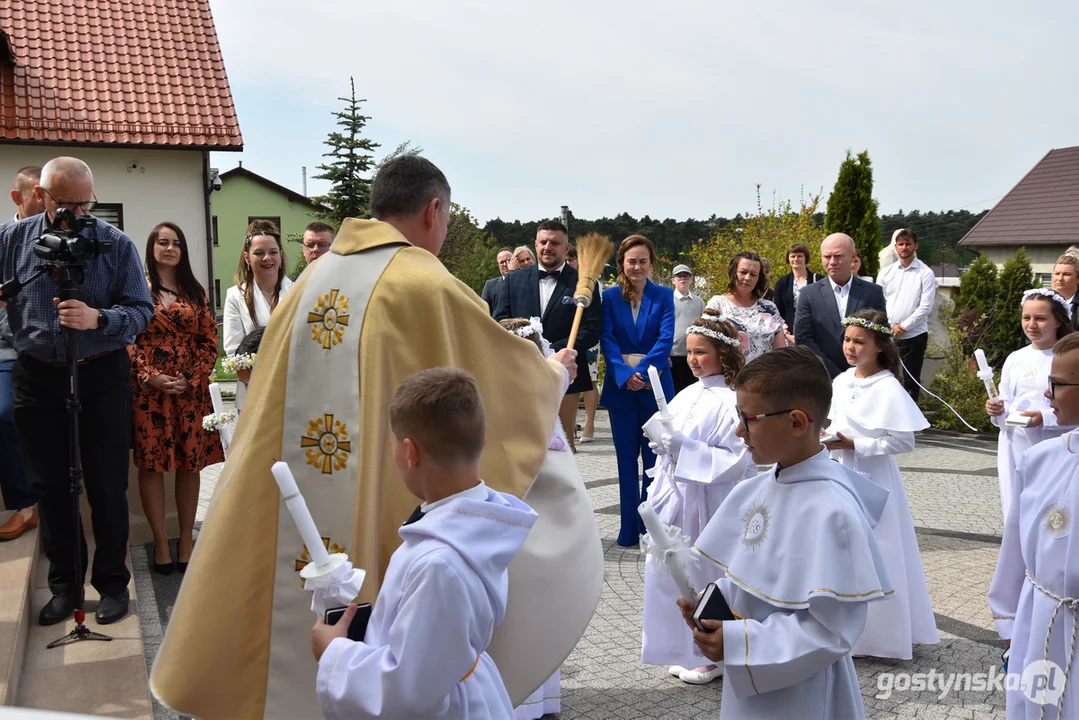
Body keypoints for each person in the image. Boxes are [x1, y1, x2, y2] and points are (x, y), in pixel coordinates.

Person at [150, 156, 603, 719]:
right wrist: (553, 372)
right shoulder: (425, 283)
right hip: (395, 503)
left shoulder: (308, 282)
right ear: (434, 210)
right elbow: (500, 381)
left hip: (293, 512)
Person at [679, 345, 891, 719]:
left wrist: (739, 643)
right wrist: (711, 608)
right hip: (750, 683)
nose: (737, 430)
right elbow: (749, 578)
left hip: (802, 693)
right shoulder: (756, 489)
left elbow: (833, 633)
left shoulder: (832, 511)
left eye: (749, 419)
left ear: (797, 422)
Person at [311, 368, 536, 718]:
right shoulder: (475, 525)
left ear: (409, 452)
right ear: (482, 443)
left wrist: (335, 654)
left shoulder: (439, 564)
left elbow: (408, 690)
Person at [0, 156, 154, 626]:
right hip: (36, 372)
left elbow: (142, 311)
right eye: (68, 203)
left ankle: (111, 585)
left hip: (100, 372)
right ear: (43, 196)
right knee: (49, 486)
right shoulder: (11, 241)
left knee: (107, 485)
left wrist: (99, 319)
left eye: (86, 203)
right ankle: (64, 587)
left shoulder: (114, 243)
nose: (79, 213)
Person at [641, 311, 754, 685]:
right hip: (678, 499)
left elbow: (736, 459)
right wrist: (663, 443)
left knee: (705, 573)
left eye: (701, 352)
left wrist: (685, 448)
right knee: (672, 575)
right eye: (689, 352)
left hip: (708, 501)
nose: (692, 359)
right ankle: (681, 647)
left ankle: (712, 654)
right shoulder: (688, 393)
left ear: (722, 355)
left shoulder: (729, 401)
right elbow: (669, 446)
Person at [824, 309, 938, 660]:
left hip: (875, 478)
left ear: (878, 347)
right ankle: (846, 631)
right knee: (841, 549)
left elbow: (903, 441)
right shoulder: (841, 381)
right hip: (839, 471)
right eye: (847, 339)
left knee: (881, 549)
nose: (851, 346)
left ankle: (884, 636)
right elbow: (833, 420)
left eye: (860, 341)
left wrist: (857, 444)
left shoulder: (888, 385)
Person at [988, 331, 1079, 720]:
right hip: (1043, 616)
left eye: (1056, 384)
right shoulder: (1041, 460)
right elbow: (1015, 549)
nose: (1047, 395)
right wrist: (1008, 618)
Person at [128, 222, 223, 575]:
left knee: (190, 464)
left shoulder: (195, 291)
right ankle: (159, 541)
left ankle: (185, 538)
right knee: (151, 465)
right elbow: (127, 337)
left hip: (189, 390)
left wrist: (191, 377)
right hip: (150, 393)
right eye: (163, 242)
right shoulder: (135, 288)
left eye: (176, 243)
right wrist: (150, 377)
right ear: (151, 248)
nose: (170, 248)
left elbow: (209, 340)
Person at [496, 317, 566, 718]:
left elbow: (557, 471)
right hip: (505, 521)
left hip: (530, 522)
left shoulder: (542, 408)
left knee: (527, 612)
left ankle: (533, 699)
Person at [494, 220, 602, 452]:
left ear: (566, 247)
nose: (548, 247)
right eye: (543, 242)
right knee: (522, 444)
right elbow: (499, 321)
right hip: (522, 374)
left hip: (568, 376)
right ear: (536, 244)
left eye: (555, 242)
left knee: (564, 446)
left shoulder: (583, 282)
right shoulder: (514, 280)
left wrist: (555, 349)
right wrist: (529, 345)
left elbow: (592, 328)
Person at [600, 235, 675, 547]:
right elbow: (607, 339)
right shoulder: (609, 297)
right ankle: (628, 529)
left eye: (643, 260)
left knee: (655, 461)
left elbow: (665, 338)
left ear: (651, 263)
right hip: (622, 388)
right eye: (631, 261)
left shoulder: (664, 296)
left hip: (654, 386)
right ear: (622, 263)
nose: (637, 266)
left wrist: (642, 373)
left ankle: (651, 528)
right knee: (625, 460)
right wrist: (625, 374)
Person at [985, 289, 1074, 519]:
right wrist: (997, 409)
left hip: (1053, 441)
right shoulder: (1015, 358)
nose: (1032, 324)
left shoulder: (1066, 358)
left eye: (1040, 318)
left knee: (1051, 507)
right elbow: (1005, 397)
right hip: (1015, 444)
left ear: (1058, 321)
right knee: (1017, 504)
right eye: (1027, 318)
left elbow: (1074, 406)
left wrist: (1043, 417)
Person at [0, 165, 43, 542]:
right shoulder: (3, 240)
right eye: (38, 196)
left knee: (4, 412)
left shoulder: (63, 240)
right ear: (19, 197)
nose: (46, 204)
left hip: (35, 355)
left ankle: (26, 506)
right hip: (8, 350)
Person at [794, 233, 887, 378]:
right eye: (827, 257)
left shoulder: (873, 292)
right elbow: (803, 339)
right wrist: (836, 374)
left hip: (864, 377)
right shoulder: (808, 294)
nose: (832, 262)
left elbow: (880, 336)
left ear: (853, 257)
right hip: (822, 378)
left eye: (838, 256)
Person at [876, 228, 937, 401]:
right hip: (887, 335)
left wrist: (903, 327)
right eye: (901, 244)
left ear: (915, 246)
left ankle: (911, 422)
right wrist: (889, 327)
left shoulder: (925, 273)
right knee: (884, 377)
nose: (904, 248)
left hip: (914, 336)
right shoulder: (886, 273)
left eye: (908, 244)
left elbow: (925, 307)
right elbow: (879, 302)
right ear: (895, 247)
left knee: (911, 380)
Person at [222, 219, 293, 355]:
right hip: (253, 375)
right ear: (247, 257)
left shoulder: (297, 291)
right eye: (259, 253)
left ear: (281, 255)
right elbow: (233, 350)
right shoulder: (235, 296)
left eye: (273, 252)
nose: (267, 258)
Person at [705, 251, 786, 363]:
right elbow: (705, 345)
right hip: (729, 377)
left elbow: (781, 351)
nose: (748, 278)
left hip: (765, 376)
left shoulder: (770, 308)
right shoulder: (717, 305)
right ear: (734, 273)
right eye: (743, 272)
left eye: (753, 274)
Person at [566, 245, 602, 444]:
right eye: (568, 259)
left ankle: (589, 423)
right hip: (567, 340)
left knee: (590, 379)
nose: (571, 262)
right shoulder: (566, 280)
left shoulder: (590, 282)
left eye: (573, 259)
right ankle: (569, 423)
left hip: (587, 341)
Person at [772, 242, 822, 344]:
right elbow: (777, 311)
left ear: (806, 258)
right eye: (793, 256)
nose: (796, 259)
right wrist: (786, 334)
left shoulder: (819, 280)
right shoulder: (782, 283)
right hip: (789, 337)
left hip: (815, 336)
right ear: (788, 259)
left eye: (799, 256)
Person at [669, 264, 704, 393]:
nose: (683, 279)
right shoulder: (668, 300)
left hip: (694, 354)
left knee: (691, 391)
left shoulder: (699, 302)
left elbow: (703, 326)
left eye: (686, 276)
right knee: (674, 392)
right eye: (679, 276)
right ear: (673, 280)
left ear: (691, 279)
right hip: (673, 354)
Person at [480, 247, 513, 317]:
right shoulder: (489, 285)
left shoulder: (524, 282)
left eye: (508, 260)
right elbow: (483, 311)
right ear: (498, 265)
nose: (505, 264)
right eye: (502, 262)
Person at [1051, 253, 1079, 330]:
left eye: (1066, 274)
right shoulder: (1047, 301)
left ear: (1077, 278)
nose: (1060, 278)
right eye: (1057, 273)